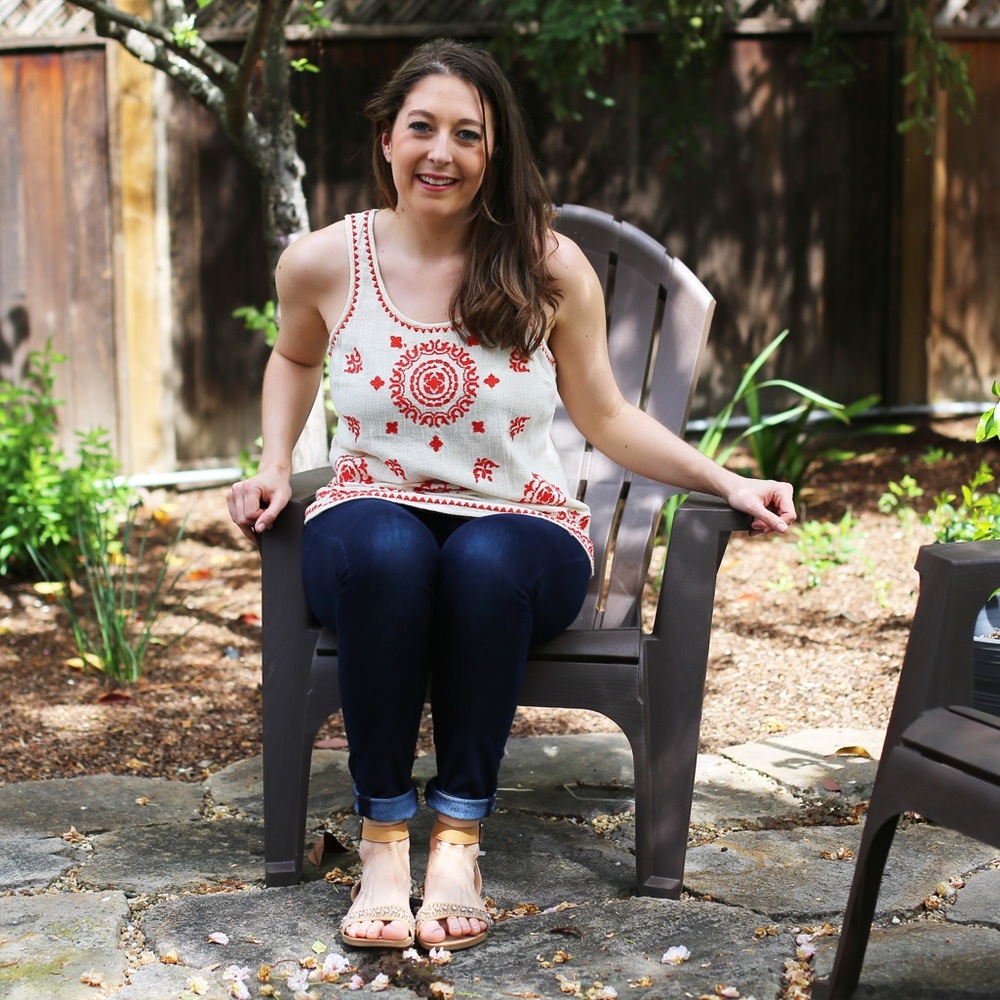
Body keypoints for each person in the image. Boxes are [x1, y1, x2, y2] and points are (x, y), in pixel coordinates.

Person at [226, 37, 797, 953]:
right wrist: (268, 458)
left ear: (496, 154)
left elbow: (607, 417)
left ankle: (456, 839)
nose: (441, 153)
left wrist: (728, 478)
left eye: (468, 135)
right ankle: (381, 844)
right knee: (387, 553)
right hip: (370, 505)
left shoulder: (546, 267)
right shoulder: (326, 261)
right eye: (422, 128)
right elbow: (293, 355)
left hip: (523, 525)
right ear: (386, 137)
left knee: (481, 566)